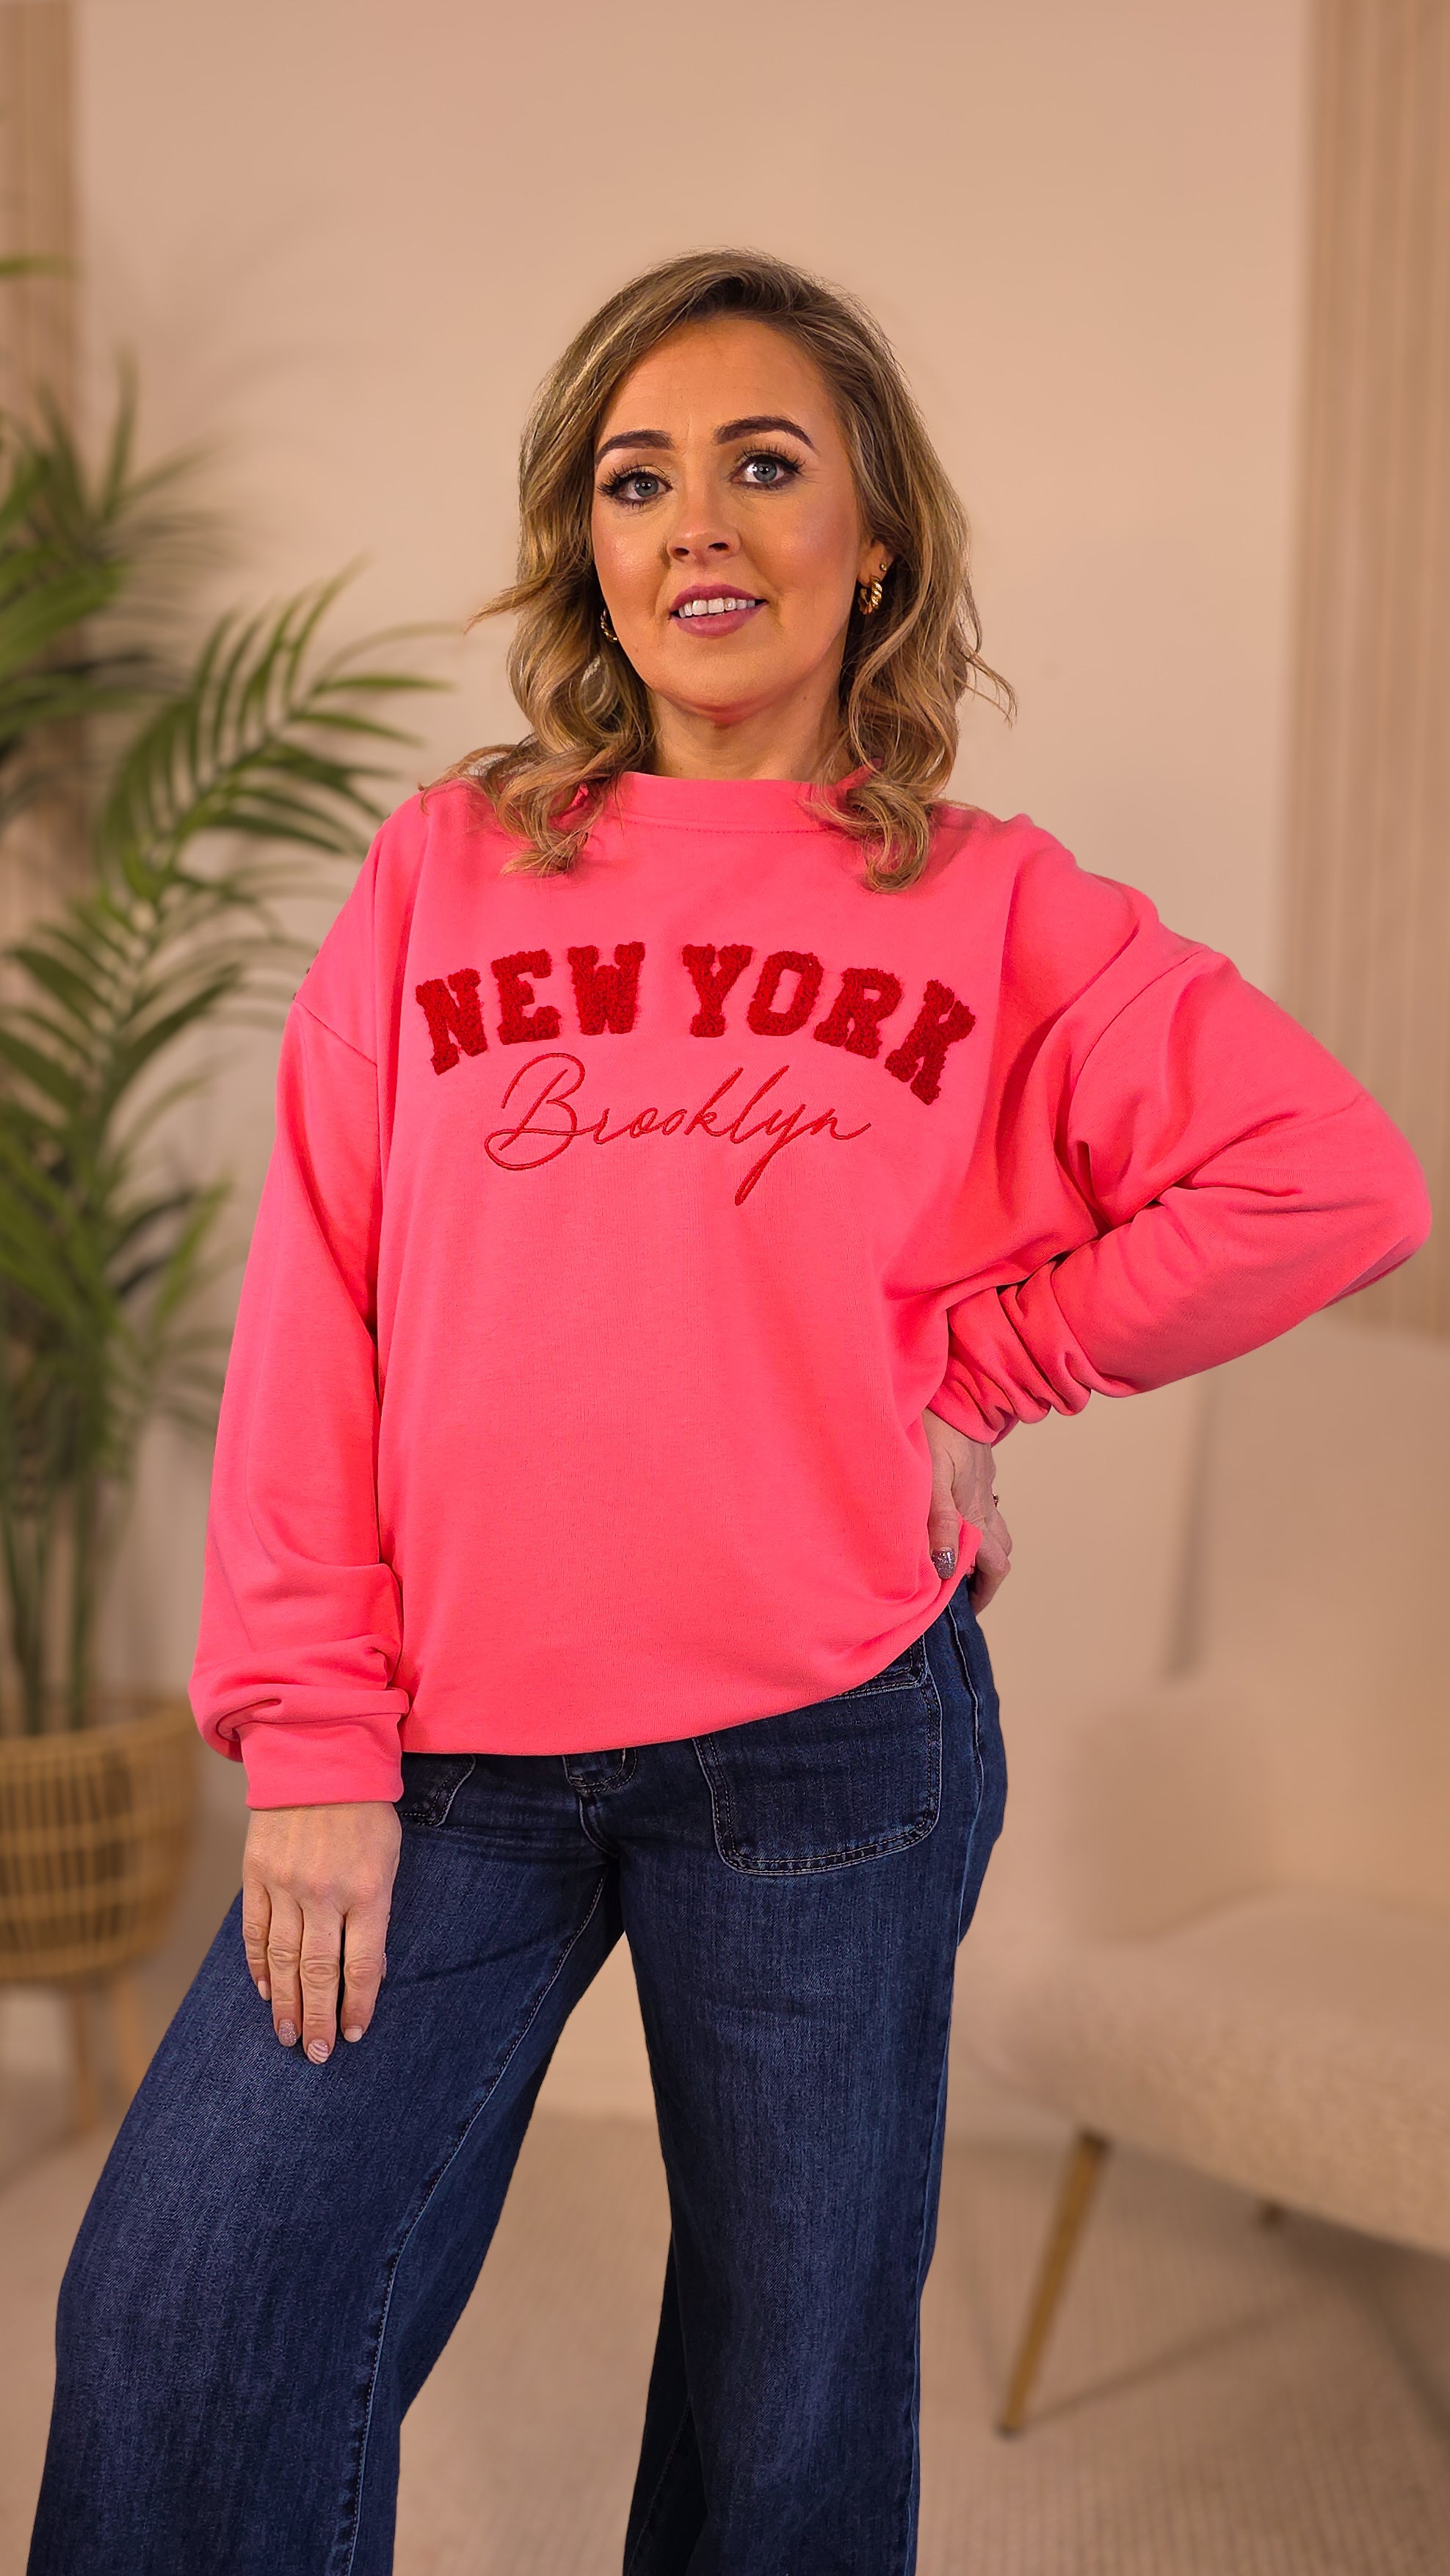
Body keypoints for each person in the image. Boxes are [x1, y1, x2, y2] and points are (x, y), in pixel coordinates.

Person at [28, 248, 1429, 2576]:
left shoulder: (992, 906)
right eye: (636, 476)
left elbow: (1334, 1176)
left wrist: (986, 1362)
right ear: (584, 540)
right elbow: (318, 1299)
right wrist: (312, 1739)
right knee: (187, 2322)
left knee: (786, 2435)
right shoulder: (450, 865)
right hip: (439, 1743)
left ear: (873, 538)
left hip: (827, 1743)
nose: (696, 520)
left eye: (764, 464)